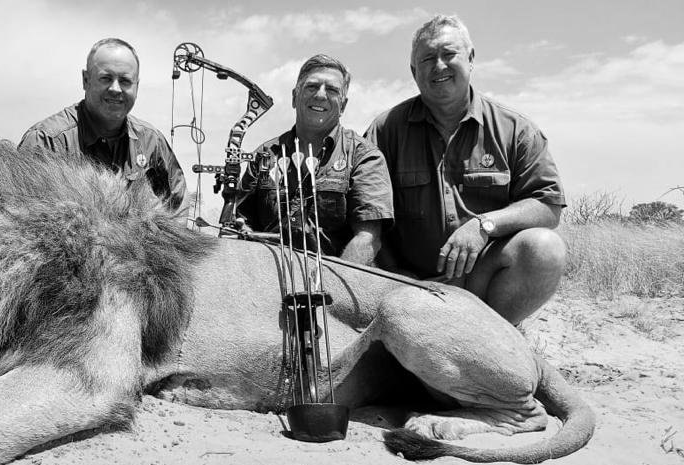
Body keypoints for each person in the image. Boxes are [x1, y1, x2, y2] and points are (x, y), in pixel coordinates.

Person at [365, 15, 567, 325]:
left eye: (449, 54)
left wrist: (484, 225)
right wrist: (395, 275)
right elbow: (367, 218)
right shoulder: (385, 130)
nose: (439, 65)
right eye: (428, 58)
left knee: (545, 249)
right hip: (410, 286)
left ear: (471, 59)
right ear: (413, 71)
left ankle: (492, 334)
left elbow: (548, 205)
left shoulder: (515, 130)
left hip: (482, 281)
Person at [232, 55, 393, 264]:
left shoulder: (364, 155)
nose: (320, 95)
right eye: (312, 86)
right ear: (294, 97)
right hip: (268, 282)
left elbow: (368, 239)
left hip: (336, 285)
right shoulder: (266, 154)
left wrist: (331, 291)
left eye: (332, 90)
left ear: (343, 105)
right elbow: (242, 225)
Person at [19, 38, 186, 210]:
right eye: (106, 78)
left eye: (125, 81)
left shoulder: (151, 141)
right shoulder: (46, 141)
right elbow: (16, 216)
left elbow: (178, 203)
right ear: (86, 80)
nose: (115, 88)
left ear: (137, 86)